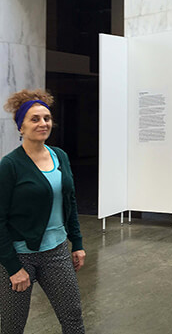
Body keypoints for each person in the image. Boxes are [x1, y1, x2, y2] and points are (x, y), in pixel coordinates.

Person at [0, 89, 85, 333]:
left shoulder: (60, 156)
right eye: (34, 119)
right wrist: (14, 268)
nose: (43, 124)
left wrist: (77, 243)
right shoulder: (10, 165)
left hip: (57, 252)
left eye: (46, 118)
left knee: (73, 320)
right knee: (12, 326)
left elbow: (69, 202)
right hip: (19, 255)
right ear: (21, 127)